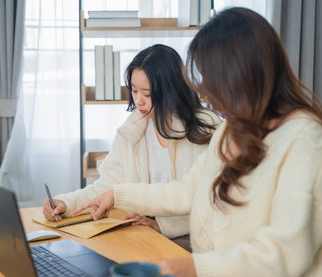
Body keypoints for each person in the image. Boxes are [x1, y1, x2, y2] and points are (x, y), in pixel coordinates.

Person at [72, 7, 322, 277]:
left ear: (246, 77)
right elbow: (188, 189)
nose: (207, 96)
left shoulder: (306, 141)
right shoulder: (235, 129)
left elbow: (282, 254)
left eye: (214, 82)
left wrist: (196, 267)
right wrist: (117, 195)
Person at [43, 44, 219, 250]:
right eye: (134, 91)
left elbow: (204, 199)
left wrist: (162, 225)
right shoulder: (132, 131)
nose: (138, 101)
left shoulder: (204, 127)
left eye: (147, 93)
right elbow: (108, 187)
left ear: (170, 89)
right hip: (145, 230)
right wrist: (66, 203)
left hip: (195, 237)